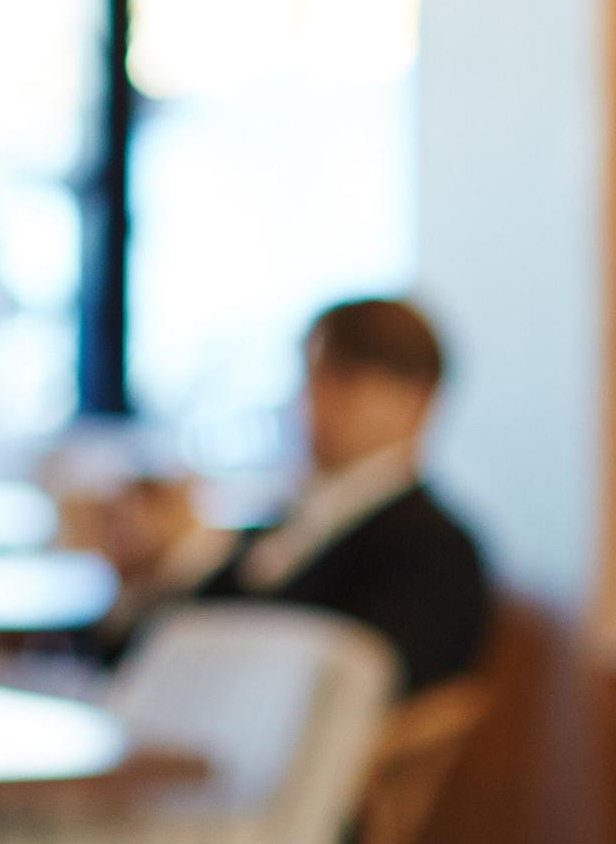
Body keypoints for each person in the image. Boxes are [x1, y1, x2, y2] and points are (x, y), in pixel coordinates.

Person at [170, 296, 492, 695]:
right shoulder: (291, 513)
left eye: (343, 380)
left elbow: (358, 687)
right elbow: (186, 620)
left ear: (417, 397)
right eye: (310, 377)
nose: (314, 401)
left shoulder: (436, 548)